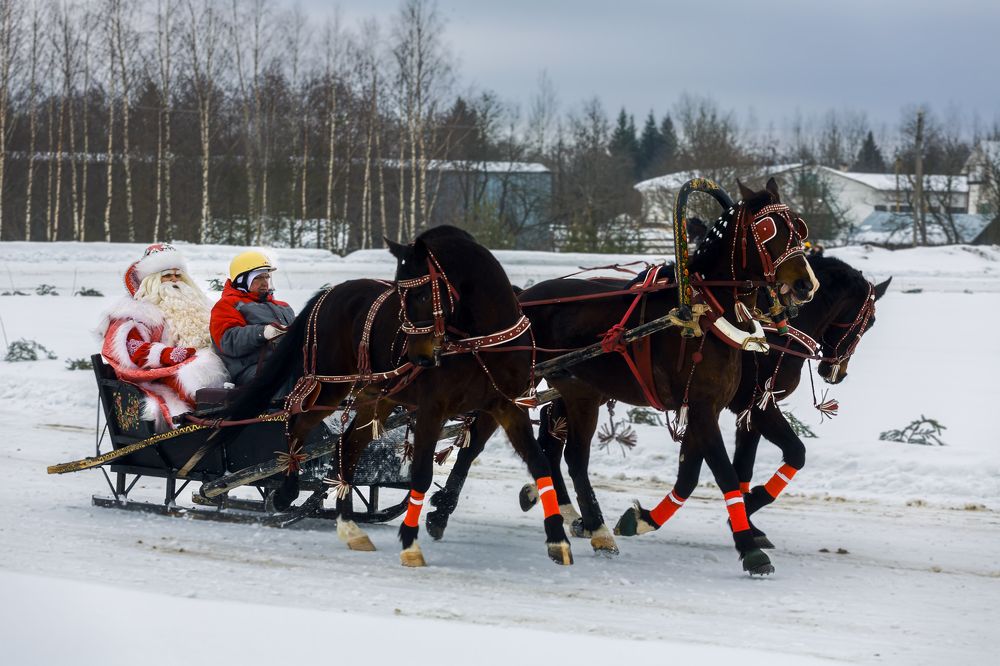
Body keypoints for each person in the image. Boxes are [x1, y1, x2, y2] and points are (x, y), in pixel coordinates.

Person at [98, 243, 229, 431]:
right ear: (152, 280)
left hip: (203, 360)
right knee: (196, 376)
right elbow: (132, 348)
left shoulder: (203, 305)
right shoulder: (137, 311)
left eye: (178, 275)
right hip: (162, 374)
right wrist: (169, 354)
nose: (174, 280)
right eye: (167, 276)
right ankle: (204, 430)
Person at [210, 250, 295, 386]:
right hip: (252, 369)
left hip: (287, 361)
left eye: (266, 277)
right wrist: (262, 332)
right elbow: (228, 341)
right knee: (287, 375)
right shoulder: (227, 305)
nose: (264, 282)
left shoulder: (282, 306)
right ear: (241, 280)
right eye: (258, 277)